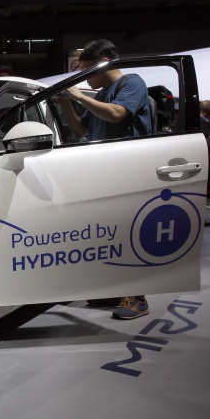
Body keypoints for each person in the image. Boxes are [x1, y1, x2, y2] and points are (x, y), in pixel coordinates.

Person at [57, 39, 152, 320]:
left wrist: (79, 96)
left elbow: (117, 114)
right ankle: (114, 289)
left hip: (130, 171)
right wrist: (66, 105)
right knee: (110, 234)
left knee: (128, 232)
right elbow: (81, 129)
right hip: (106, 171)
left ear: (103, 64)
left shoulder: (131, 83)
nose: (83, 77)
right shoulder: (100, 95)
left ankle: (138, 298)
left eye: (86, 70)